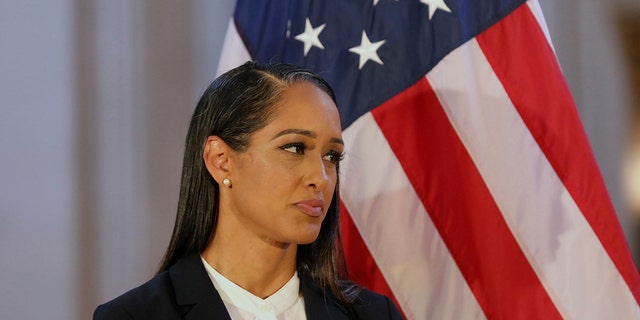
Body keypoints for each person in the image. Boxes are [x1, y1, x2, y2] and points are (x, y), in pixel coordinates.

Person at [93, 61, 404, 320]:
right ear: (221, 161)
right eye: (295, 148)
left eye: (332, 155)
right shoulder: (134, 316)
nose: (321, 177)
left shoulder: (375, 315)